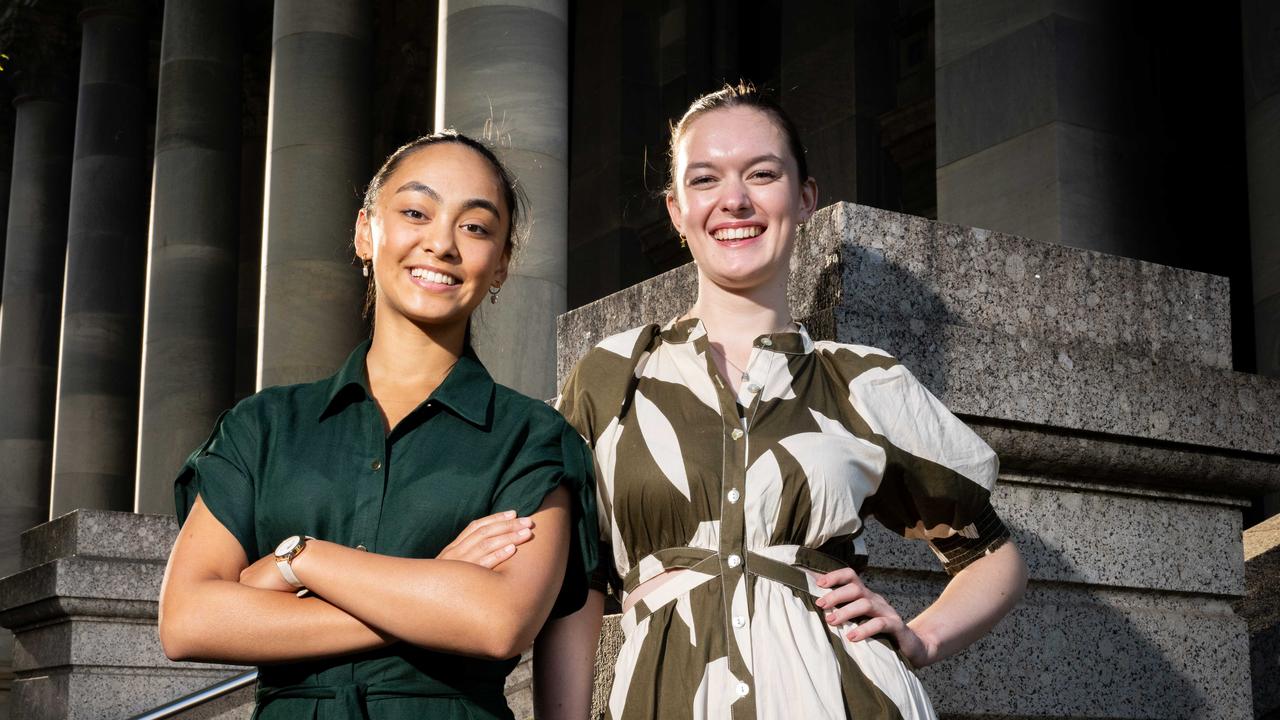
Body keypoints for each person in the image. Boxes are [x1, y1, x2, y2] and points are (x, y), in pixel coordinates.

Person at [533, 84, 1028, 720]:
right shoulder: (614, 375)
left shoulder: (861, 381)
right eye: (705, 179)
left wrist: (923, 635)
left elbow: (994, 557)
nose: (734, 200)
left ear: (804, 197)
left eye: (762, 174)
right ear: (677, 210)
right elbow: (575, 584)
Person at [158, 131, 597, 720]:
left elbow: (496, 623)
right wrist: (435, 589)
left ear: (501, 267)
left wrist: (299, 560)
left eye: (475, 227)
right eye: (416, 212)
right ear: (366, 232)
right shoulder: (262, 427)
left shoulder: (531, 437)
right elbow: (188, 621)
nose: (441, 243)